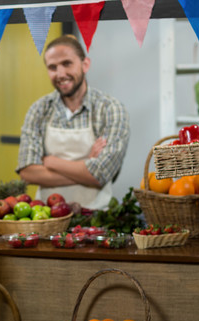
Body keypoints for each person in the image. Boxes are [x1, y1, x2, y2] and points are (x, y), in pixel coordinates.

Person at [16, 34, 130, 209]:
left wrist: (51, 162)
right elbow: (27, 172)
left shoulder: (110, 109)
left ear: (85, 65)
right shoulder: (39, 110)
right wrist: (86, 165)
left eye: (67, 64)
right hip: (46, 217)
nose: (60, 74)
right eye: (52, 67)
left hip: (96, 218)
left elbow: (100, 174)